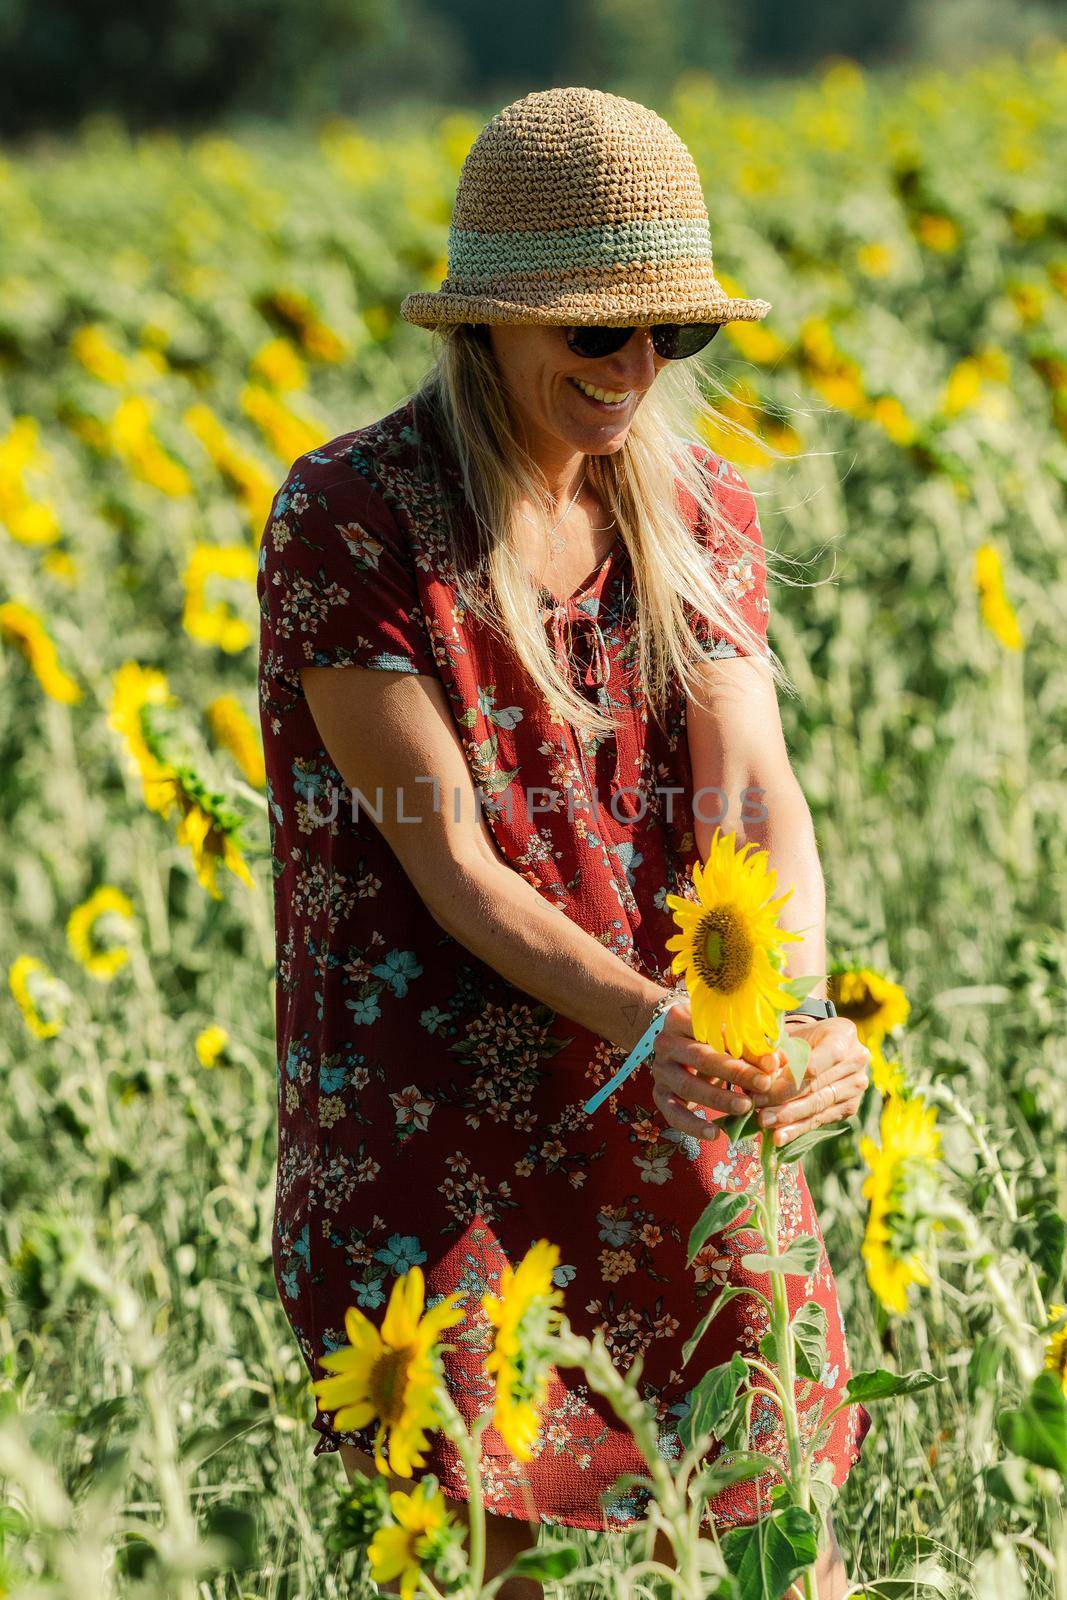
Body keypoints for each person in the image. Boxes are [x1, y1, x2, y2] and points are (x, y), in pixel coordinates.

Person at [256, 86, 873, 1600]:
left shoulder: (696, 507)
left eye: (672, 335)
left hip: (671, 1074)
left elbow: (755, 799)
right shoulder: (358, 519)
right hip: (442, 1106)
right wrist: (657, 1020)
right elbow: (441, 850)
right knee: (486, 1546)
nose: (639, 371)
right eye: (600, 336)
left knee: (772, 1505)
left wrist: (783, 1013)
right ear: (495, 327)